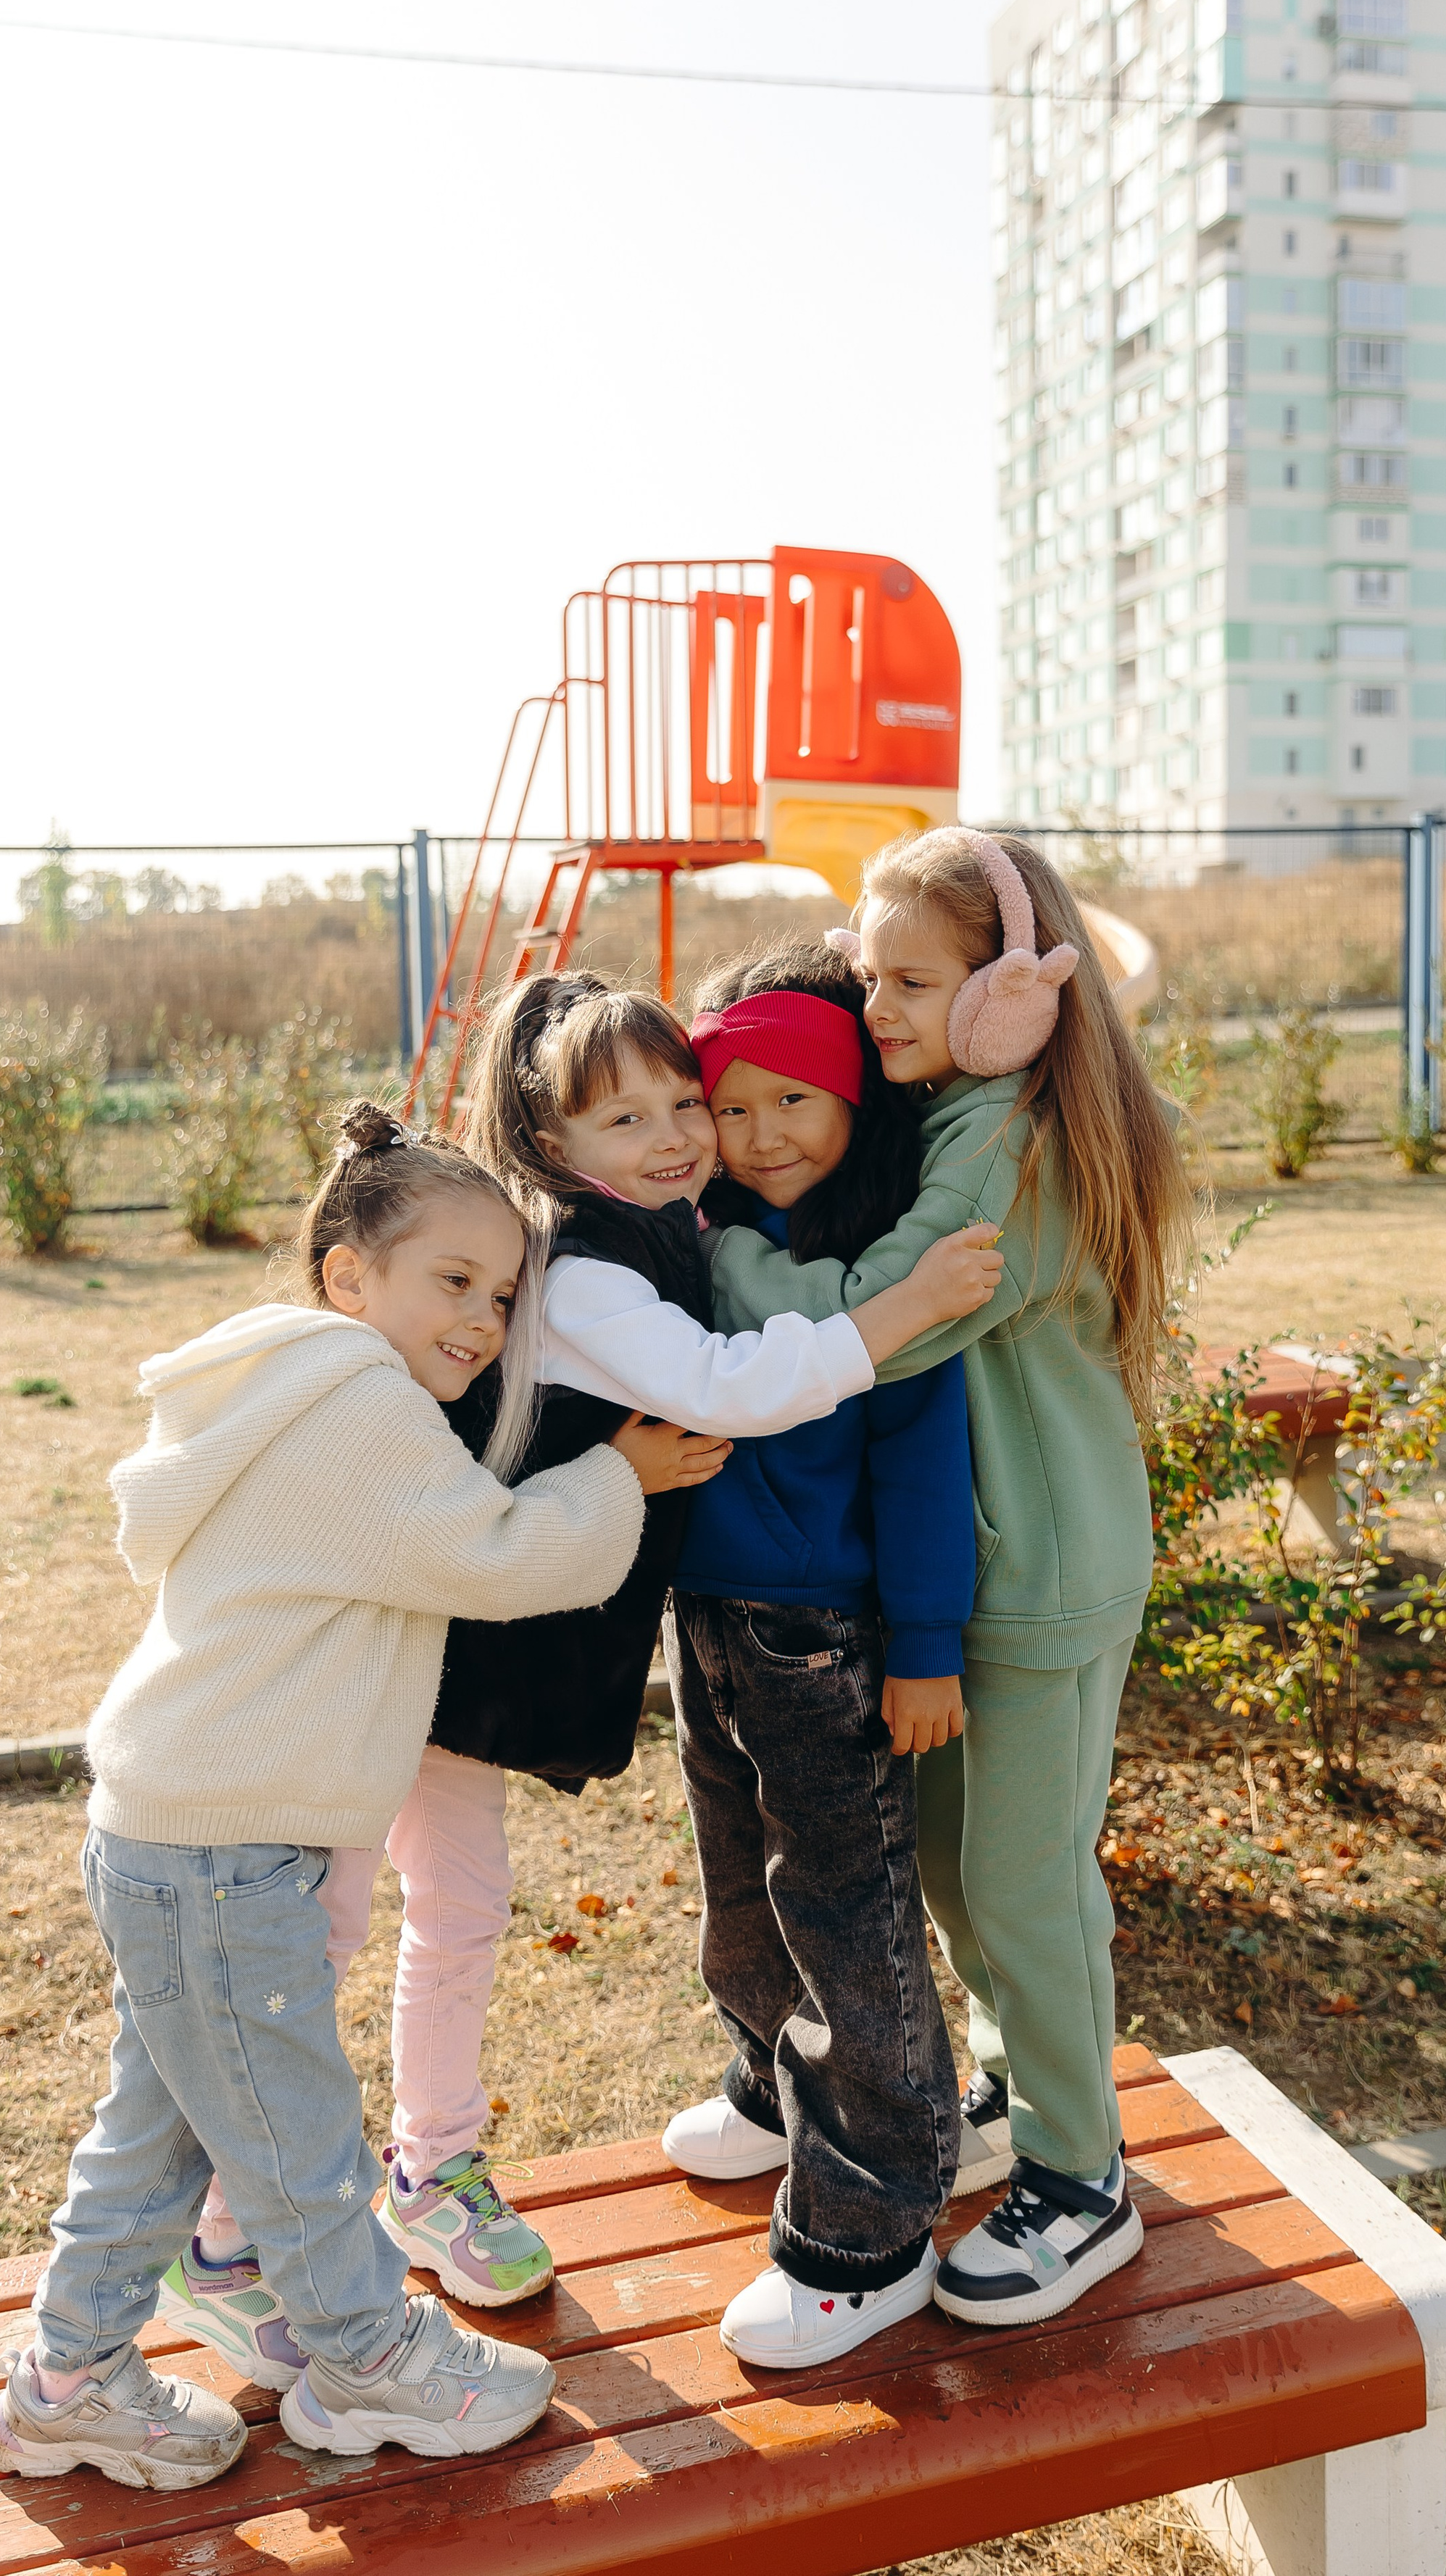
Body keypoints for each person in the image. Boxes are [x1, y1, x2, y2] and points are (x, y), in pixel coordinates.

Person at [170, 979, 1005, 2335]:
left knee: (457, 1912)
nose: (677, 1133)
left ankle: (428, 2167)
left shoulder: (654, 1233)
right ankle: (227, 2233)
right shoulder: (596, 1265)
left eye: (687, 1103)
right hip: (409, 1647)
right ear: (552, 1141)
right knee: (317, 1929)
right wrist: (900, 1310)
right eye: (627, 1114)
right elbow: (732, 1388)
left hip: (468, 1657)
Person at [0, 1106, 706, 2492]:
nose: (486, 1320)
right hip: (223, 1843)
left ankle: (67, 2381)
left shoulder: (294, 1393)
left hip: (180, 1826)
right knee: (294, 2130)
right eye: (453, 1282)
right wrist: (621, 1471)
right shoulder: (361, 1405)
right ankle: (369, 2359)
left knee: (167, 2121)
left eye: (503, 1296)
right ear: (345, 1275)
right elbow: (488, 1555)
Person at [705, 830, 1193, 2335]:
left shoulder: (1009, 1137)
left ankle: (1081, 2174)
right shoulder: (971, 1111)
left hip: (1039, 1572)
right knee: (955, 1870)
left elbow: (893, 1325)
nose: (878, 1008)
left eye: (912, 980)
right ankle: (1017, 2095)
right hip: (986, 1567)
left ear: (1013, 990)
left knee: (1025, 1886)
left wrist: (728, 1275)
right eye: (869, 976)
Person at [657, 942, 986, 2372]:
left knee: (848, 1916)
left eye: (795, 1098)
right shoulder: (683, 1241)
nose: (764, 1133)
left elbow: (922, 1475)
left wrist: (921, 1649)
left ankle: (866, 2223)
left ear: (854, 1101)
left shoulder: (887, 1278)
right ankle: (768, 2080)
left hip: (831, 1640)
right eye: (731, 1107)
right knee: (739, 1888)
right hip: (711, 1624)